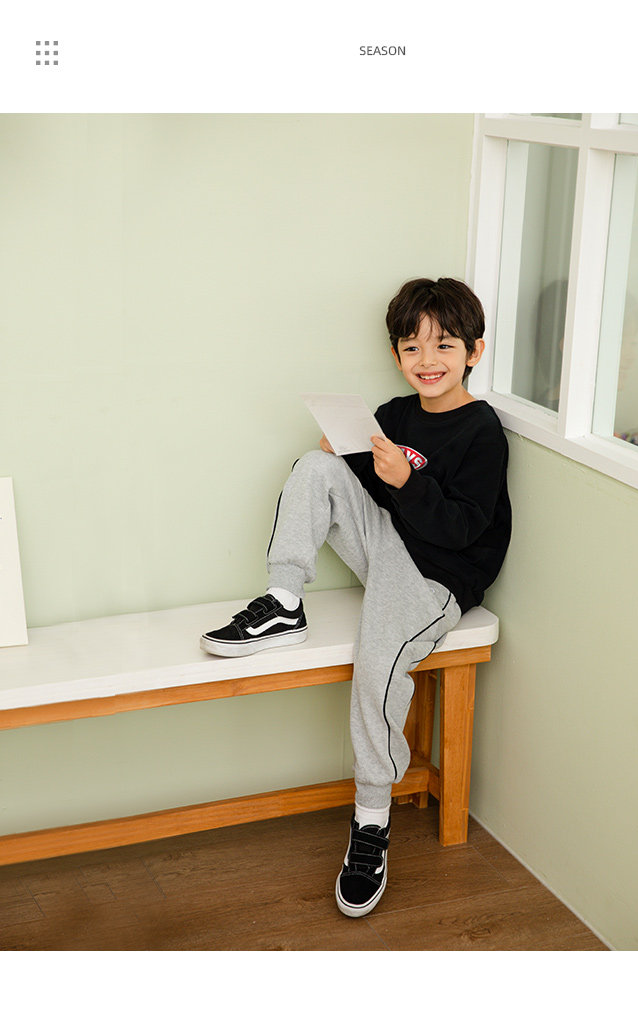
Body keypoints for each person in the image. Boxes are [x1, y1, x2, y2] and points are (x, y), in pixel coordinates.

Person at [200, 277, 512, 917]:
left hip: (435, 578)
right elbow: (367, 492)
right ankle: (284, 599)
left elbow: (463, 529)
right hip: (388, 548)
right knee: (315, 466)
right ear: (397, 355)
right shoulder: (394, 414)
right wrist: (345, 458)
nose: (427, 360)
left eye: (444, 345)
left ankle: (372, 818)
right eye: (412, 347)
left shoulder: (482, 431)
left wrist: (406, 482)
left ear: (474, 352)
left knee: (377, 668)